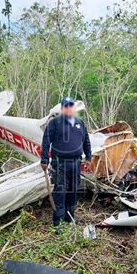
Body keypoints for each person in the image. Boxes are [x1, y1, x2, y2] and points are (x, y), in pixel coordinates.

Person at [41, 97, 92, 227]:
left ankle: (69, 219)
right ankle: (58, 224)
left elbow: (86, 141)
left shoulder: (80, 123)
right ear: (62, 108)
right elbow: (46, 141)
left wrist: (89, 157)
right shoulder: (55, 123)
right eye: (66, 106)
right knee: (60, 192)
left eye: (71, 106)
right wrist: (44, 159)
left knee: (73, 191)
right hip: (60, 164)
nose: (69, 108)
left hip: (76, 163)